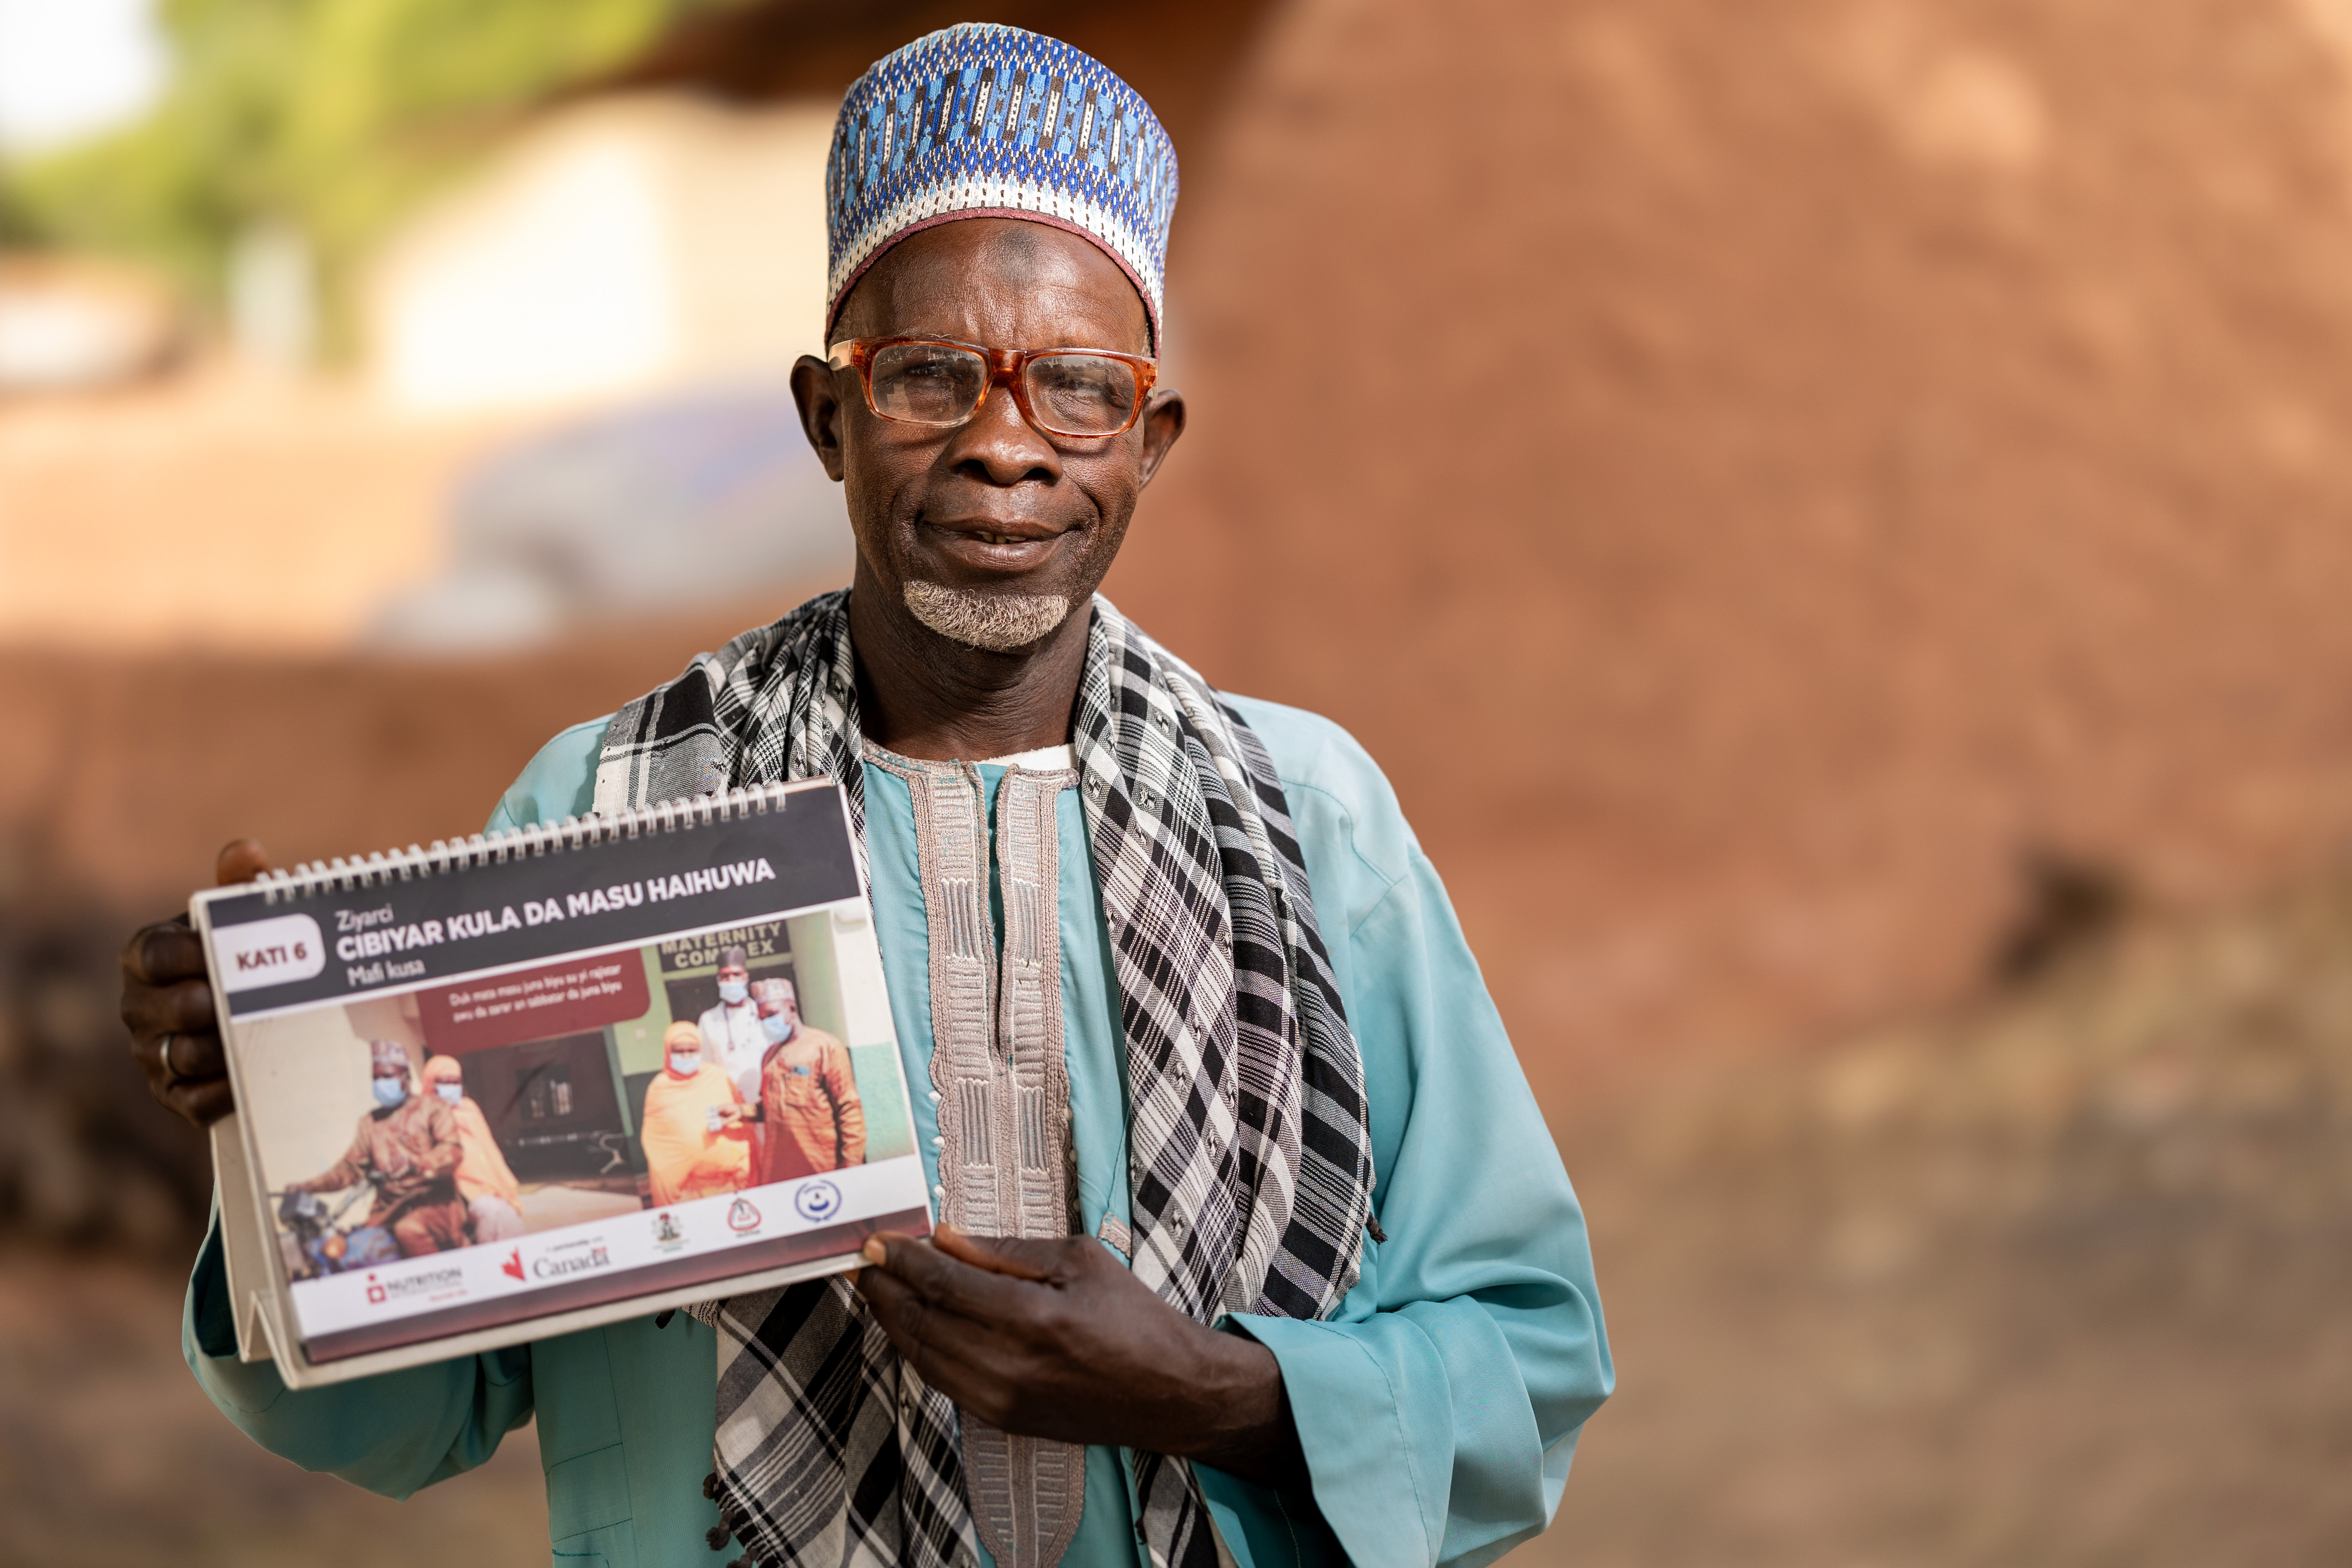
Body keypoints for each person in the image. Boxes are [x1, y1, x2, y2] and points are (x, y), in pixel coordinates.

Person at [121, 24, 1611, 1568]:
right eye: (928, 377)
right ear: (827, 417)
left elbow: (1527, 1362)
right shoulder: (612, 809)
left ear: (1148, 443)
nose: (1003, 445)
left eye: (1080, 389)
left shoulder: (1311, 817)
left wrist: (1209, 1392)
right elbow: (405, 1411)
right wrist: (280, 1133)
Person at [286, 1040, 468, 1259]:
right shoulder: (370, 1123)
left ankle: (440, 1281)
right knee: (352, 1250)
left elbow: (453, 1151)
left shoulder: (433, 1108)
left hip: (437, 1204)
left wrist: (418, 1163)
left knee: (408, 1230)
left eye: (388, 1076)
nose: (381, 1083)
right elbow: (349, 1169)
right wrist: (308, 1186)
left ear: (406, 1079)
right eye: (376, 1078)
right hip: (388, 1210)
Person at [747, 976, 864, 1182]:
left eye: (772, 1014)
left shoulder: (825, 1047)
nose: (766, 1022)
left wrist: (851, 1170)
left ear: (792, 1008)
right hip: (780, 1172)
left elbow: (849, 1109)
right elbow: (770, 1107)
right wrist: (739, 1111)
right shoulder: (769, 1056)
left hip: (821, 1169)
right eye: (762, 1018)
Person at [637, 1021, 755, 1206]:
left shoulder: (717, 1077)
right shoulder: (659, 1089)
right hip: (688, 1194)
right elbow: (658, 1146)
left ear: (700, 1050)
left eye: (692, 1050)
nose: (686, 1056)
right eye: (679, 1051)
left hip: (732, 1183)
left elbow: (742, 1124)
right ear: (668, 1052)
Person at [418, 1054, 526, 1242]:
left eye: (456, 1082)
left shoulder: (469, 1108)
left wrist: (504, 1184)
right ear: (430, 1083)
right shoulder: (423, 1116)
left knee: (510, 1216)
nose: (451, 1087)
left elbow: (488, 1147)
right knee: (493, 1215)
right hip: (458, 1188)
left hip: (490, 1184)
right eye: (445, 1082)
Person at [693, 946, 768, 1107]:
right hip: (729, 1103)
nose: (731, 980)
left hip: (766, 1101)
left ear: (746, 977)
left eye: (736, 975)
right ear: (719, 981)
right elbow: (705, 1067)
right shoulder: (709, 1020)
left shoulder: (763, 1014)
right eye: (725, 976)